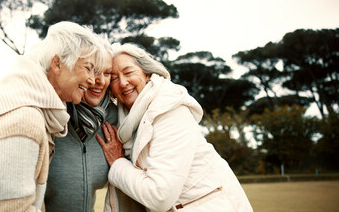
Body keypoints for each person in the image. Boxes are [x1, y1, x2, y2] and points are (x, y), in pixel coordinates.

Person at [0, 21, 107, 212]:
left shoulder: (20, 99)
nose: (94, 80)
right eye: (87, 68)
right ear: (57, 63)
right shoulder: (24, 120)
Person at [96, 43, 253, 212]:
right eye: (113, 78)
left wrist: (118, 162)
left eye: (128, 72)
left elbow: (159, 196)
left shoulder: (169, 110)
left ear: (147, 73)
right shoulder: (126, 121)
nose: (123, 82)